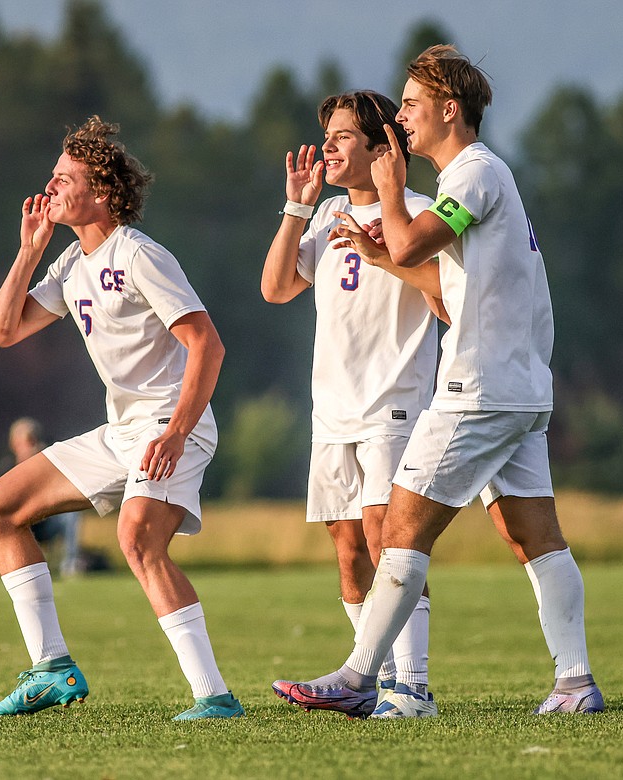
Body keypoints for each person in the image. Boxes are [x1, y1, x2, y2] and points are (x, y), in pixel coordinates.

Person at [273, 45, 604, 718]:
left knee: (399, 525)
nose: (402, 119)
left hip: (478, 388)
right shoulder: (481, 179)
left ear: (450, 110)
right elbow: (435, 277)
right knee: (531, 533)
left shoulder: (472, 175)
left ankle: (374, 681)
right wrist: (382, 247)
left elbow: (413, 245)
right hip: (519, 388)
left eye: (414, 106)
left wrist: (390, 200)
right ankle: (575, 683)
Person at [0, 116, 243, 721]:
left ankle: (214, 697)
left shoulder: (140, 254)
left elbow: (208, 345)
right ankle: (52, 669)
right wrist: (28, 252)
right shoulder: (70, 264)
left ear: (99, 190)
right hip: (120, 433)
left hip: (174, 426)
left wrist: (175, 431)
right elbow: (0, 331)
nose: (50, 187)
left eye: (63, 178)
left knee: (138, 539)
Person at [260, 90, 443, 718]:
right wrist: (295, 207)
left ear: (380, 146)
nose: (328, 147)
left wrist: (382, 255)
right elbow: (276, 288)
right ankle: (369, 684)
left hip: (395, 401)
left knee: (385, 536)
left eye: (342, 137)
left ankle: (411, 688)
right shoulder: (326, 213)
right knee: (347, 548)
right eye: (328, 136)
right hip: (332, 408)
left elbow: (448, 301)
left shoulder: (418, 212)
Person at [7, 418, 82, 578]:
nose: (28, 447)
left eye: (31, 441)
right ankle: (13, 569)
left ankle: (70, 564)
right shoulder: (8, 470)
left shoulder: (45, 463)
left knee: (71, 516)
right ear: (14, 445)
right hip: (21, 522)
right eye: (25, 442)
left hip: (46, 522)